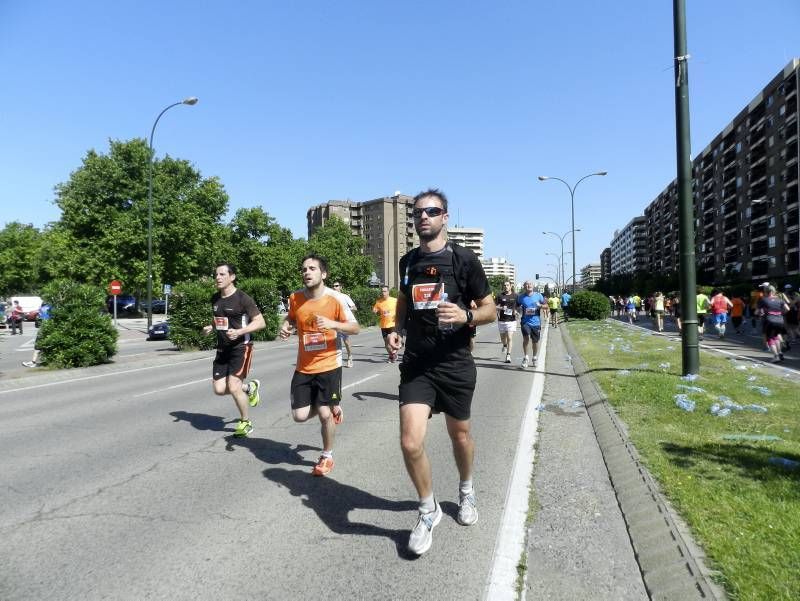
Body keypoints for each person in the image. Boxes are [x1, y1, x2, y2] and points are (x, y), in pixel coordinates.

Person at [385, 189, 495, 556]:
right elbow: (403, 301)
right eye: (417, 213)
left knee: (459, 435)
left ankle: (466, 491)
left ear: (445, 217)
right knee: (409, 441)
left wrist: (466, 316)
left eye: (431, 211)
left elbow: (490, 309)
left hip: (455, 361)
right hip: (418, 363)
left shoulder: (465, 260)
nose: (423, 217)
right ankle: (428, 509)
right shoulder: (407, 262)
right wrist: (396, 332)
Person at [280, 254, 360, 476]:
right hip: (304, 366)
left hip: (329, 364)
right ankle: (330, 404)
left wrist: (333, 323)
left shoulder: (336, 298)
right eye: (304, 269)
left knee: (324, 413)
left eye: (312, 268)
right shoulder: (295, 298)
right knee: (299, 415)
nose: (307, 272)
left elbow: (355, 327)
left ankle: (327, 456)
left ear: (323, 274)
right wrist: (286, 326)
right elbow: (291, 317)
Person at [202, 263, 266, 438]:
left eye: (222, 274)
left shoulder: (243, 299)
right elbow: (220, 320)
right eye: (216, 274)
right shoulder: (215, 298)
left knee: (233, 385)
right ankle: (249, 388)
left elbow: (261, 322)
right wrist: (211, 327)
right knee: (219, 389)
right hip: (223, 350)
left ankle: (245, 422)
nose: (217, 277)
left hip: (241, 347)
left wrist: (239, 332)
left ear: (232, 277)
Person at [757, 285, 789, 363]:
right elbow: (788, 309)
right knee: (776, 337)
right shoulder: (780, 299)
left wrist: (761, 313)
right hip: (780, 320)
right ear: (774, 291)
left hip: (770, 321)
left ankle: (776, 356)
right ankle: (780, 353)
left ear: (766, 292)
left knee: (770, 339)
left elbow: (756, 312)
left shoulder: (763, 300)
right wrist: (780, 313)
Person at [517, 281, 545, 369]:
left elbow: (546, 306)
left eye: (530, 284)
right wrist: (517, 311)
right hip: (525, 322)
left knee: (535, 341)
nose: (528, 285)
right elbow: (517, 306)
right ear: (524, 286)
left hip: (536, 322)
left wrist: (540, 305)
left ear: (533, 286)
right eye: (526, 284)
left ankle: (534, 357)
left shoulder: (538, 295)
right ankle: (525, 358)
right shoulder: (521, 297)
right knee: (526, 338)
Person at [331, 282, 357, 368]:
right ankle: (336, 361)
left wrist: (346, 311)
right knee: (334, 342)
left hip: (344, 322)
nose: (334, 287)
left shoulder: (345, 296)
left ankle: (350, 356)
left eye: (336, 286)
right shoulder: (330, 298)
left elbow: (354, 307)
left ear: (340, 287)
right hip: (334, 323)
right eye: (333, 286)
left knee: (346, 341)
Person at [372, 285, 399, 361]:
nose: (383, 293)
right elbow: (375, 309)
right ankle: (392, 355)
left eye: (385, 291)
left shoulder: (394, 300)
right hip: (383, 325)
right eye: (382, 291)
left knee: (390, 339)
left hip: (393, 323)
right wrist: (374, 311)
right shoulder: (379, 302)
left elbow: (400, 309)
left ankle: (395, 351)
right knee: (386, 343)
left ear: (388, 292)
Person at [495, 280, 518, 364]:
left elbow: (518, 306)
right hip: (502, 320)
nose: (506, 286)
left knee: (510, 337)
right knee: (503, 338)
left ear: (511, 286)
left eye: (507, 285)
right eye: (504, 285)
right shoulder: (500, 296)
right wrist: (501, 308)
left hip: (511, 320)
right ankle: (504, 345)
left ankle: (508, 355)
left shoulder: (515, 296)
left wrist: (516, 311)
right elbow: (495, 307)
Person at [22, 302, 51, 367]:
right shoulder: (52, 308)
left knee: (38, 345)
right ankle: (50, 360)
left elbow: (36, 320)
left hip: (43, 328)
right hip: (51, 328)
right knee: (49, 344)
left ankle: (33, 362)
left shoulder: (41, 309)